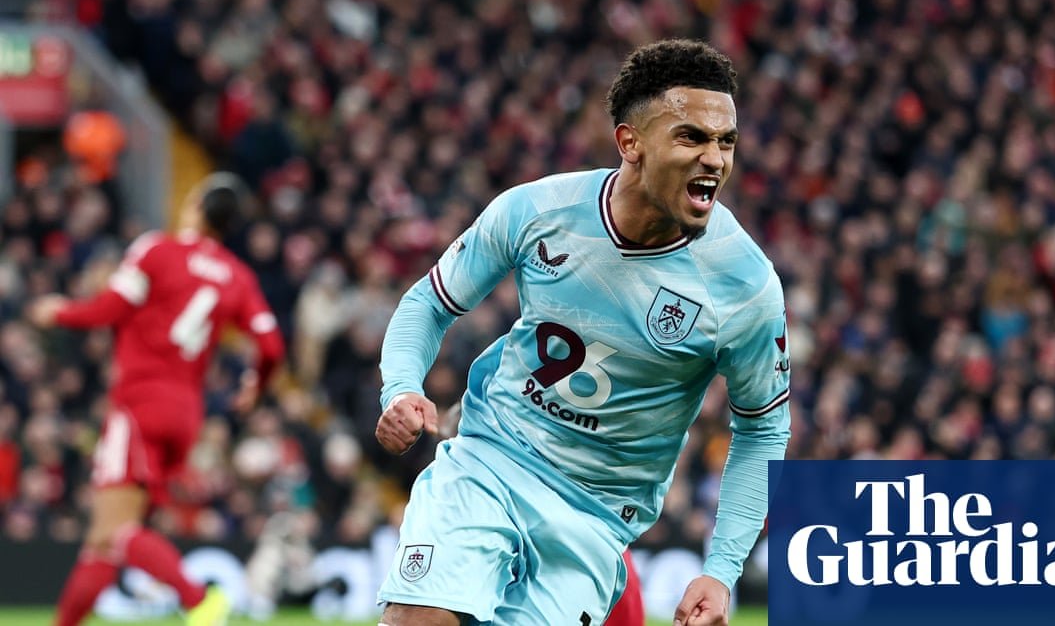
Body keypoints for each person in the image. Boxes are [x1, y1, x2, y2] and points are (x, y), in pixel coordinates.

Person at [374, 38, 790, 626]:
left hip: (595, 516)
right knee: (419, 618)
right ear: (630, 142)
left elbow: (764, 427)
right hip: (491, 459)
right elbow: (428, 302)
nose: (715, 159)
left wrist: (721, 571)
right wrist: (401, 387)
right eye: (691, 137)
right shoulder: (539, 210)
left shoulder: (744, 284)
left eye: (726, 141)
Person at [29, 173, 286, 626]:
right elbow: (271, 347)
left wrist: (58, 311)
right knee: (103, 542)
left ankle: (199, 600)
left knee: (117, 532)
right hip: (185, 414)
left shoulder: (157, 249)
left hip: (139, 405)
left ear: (196, 206)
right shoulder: (238, 276)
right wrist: (254, 387)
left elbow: (110, 308)